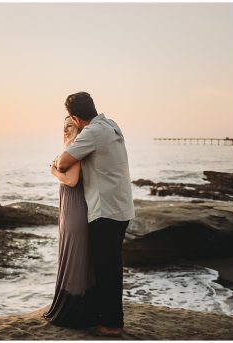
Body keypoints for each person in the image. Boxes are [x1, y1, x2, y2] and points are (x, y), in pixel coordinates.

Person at [52, 92, 135, 337]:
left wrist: (55, 164)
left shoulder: (93, 132)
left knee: (105, 268)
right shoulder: (110, 124)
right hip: (121, 206)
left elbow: (64, 163)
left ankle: (112, 324)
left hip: (105, 210)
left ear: (76, 118)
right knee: (111, 265)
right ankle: (108, 317)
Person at [43, 116, 98, 328]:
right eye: (63, 125)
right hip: (69, 209)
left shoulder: (76, 148)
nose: (65, 129)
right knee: (70, 256)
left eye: (70, 125)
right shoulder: (71, 148)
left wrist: (54, 171)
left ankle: (74, 312)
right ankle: (79, 309)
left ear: (78, 128)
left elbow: (72, 180)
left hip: (75, 210)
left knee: (74, 257)